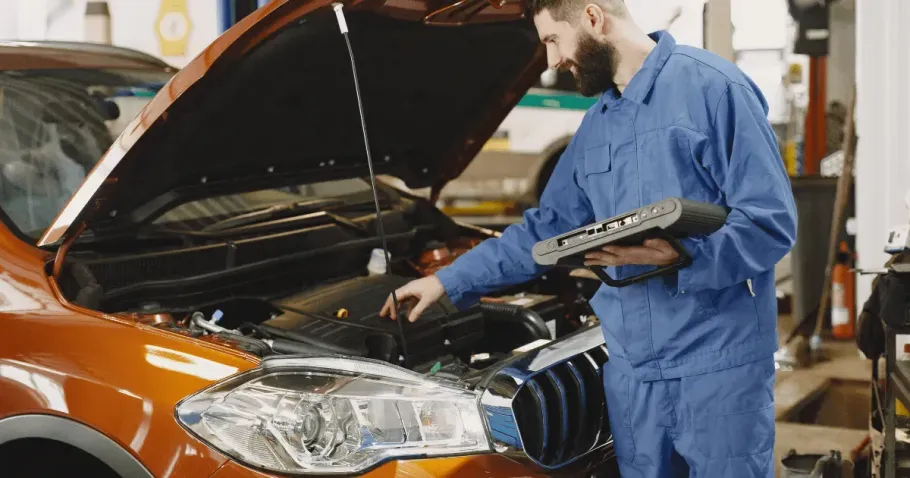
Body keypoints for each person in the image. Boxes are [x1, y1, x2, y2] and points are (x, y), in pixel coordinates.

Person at [380, 0, 797, 475]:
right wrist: (446, 282)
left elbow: (769, 222)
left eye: (553, 40)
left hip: (716, 364)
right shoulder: (597, 125)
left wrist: (681, 255)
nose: (553, 60)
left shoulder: (713, 88)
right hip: (632, 371)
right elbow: (544, 231)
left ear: (594, 18)